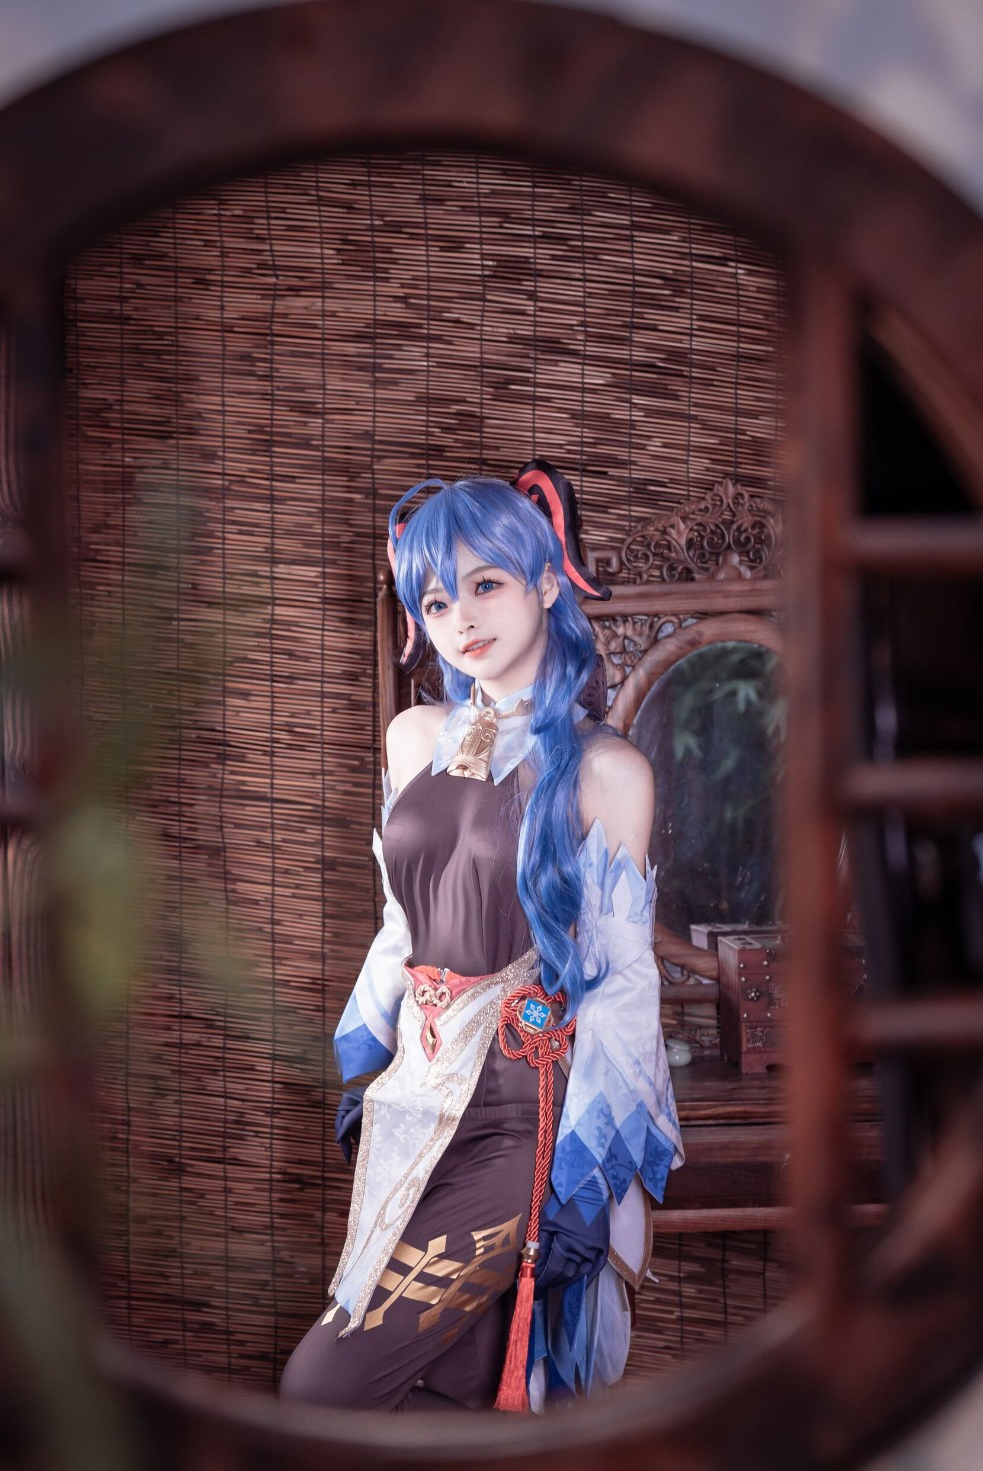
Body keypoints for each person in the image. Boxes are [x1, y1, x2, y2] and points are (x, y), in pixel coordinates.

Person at [280, 463, 683, 1413]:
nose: (460, 617)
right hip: (413, 1101)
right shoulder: (412, 737)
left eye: (485, 583)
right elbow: (401, 923)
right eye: (435, 599)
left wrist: (587, 1176)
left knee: (322, 1388)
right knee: (449, 1385)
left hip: (524, 1122)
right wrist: (365, 1061)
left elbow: (624, 983)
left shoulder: (607, 771)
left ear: (545, 582)